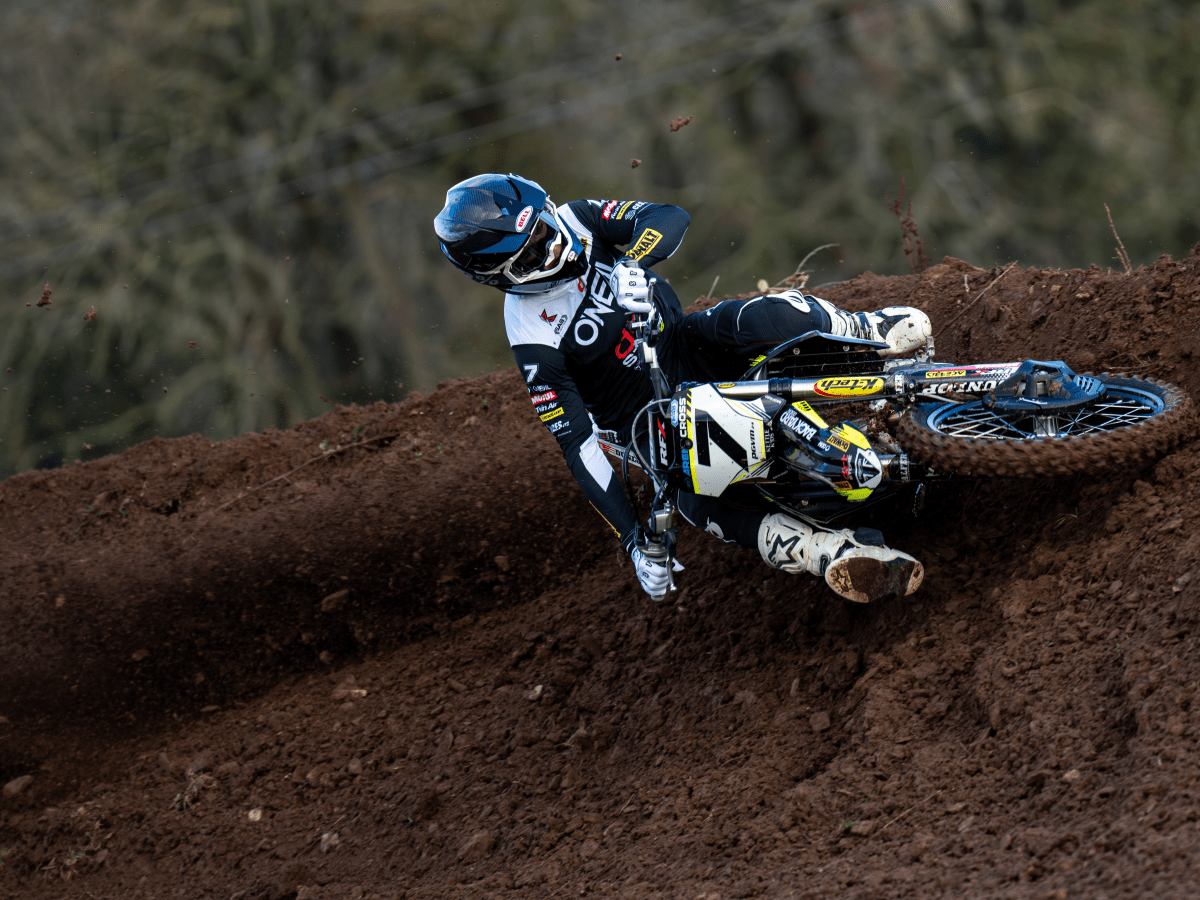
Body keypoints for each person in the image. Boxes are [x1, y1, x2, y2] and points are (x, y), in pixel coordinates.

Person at [434, 173, 929, 603]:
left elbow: (667, 215)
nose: (554, 245)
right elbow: (577, 445)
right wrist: (634, 542)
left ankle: (869, 331)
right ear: (502, 277)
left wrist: (633, 262)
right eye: (532, 252)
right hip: (652, 419)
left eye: (544, 226)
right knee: (700, 504)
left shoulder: (579, 219)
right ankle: (825, 552)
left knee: (761, 315)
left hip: (688, 345)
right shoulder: (532, 336)